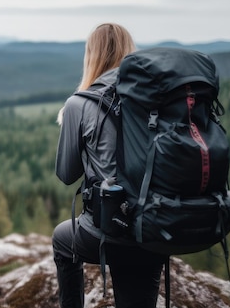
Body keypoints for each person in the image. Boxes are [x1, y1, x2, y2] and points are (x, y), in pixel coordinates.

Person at [52, 23, 166, 308]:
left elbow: (66, 175)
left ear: (92, 56)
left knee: (62, 240)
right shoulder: (156, 100)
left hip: (109, 232)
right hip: (156, 227)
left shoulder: (79, 104)